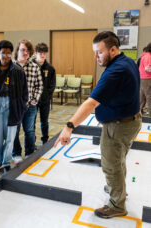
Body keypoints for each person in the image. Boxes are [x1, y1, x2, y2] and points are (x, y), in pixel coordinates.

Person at [54, 31, 141, 219]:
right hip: (129, 120)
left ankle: (117, 204)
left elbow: (90, 103)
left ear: (113, 49)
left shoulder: (116, 71)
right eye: (94, 52)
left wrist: (69, 126)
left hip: (119, 126)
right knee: (117, 159)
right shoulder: (126, 61)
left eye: (99, 52)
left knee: (111, 165)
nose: (96, 57)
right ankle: (116, 188)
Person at [0, 40, 28, 174]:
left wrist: (21, 108)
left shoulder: (18, 71)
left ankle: (5, 163)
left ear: (12, 54)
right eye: (3, 53)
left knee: (10, 138)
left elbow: (24, 93)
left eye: (8, 54)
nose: (5, 56)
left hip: (13, 105)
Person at [12, 39, 43, 163]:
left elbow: (39, 85)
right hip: (15, 107)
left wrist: (34, 100)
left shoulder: (35, 67)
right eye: (22, 50)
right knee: (14, 131)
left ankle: (30, 152)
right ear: (17, 50)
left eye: (28, 50)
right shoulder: (10, 66)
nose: (25, 52)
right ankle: (16, 154)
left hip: (30, 106)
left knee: (29, 130)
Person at [33, 43, 56, 144]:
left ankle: (45, 141)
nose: (42, 55)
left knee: (44, 122)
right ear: (35, 53)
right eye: (40, 53)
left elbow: (52, 85)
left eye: (44, 53)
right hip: (32, 100)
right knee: (31, 123)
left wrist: (47, 96)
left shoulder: (50, 68)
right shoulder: (31, 66)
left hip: (45, 100)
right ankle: (31, 142)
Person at [139, 43, 151, 116]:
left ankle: (139, 111)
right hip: (147, 78)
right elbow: (147, 68)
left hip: (143, 78)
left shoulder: (144, 55)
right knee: (149, 96)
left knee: (142, 96)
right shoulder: (148, 56)